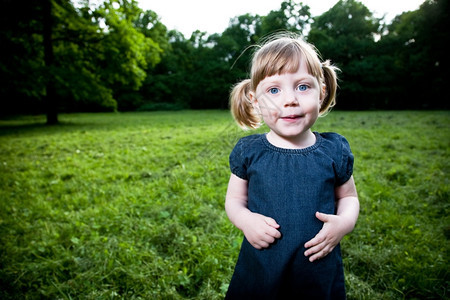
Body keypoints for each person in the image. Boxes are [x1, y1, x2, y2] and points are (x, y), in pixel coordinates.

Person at [225, 33, 360, 299]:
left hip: (316, 269)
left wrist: (344, 223)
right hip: (263, 267)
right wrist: (245, 220)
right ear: (255, 100)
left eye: (302, 86)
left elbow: (349, 197)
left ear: (321, 93)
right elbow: (233, 200)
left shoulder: (334, 150)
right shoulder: (249, 152)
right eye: (274, 90)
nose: (290, 100)